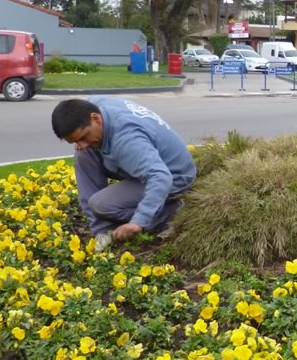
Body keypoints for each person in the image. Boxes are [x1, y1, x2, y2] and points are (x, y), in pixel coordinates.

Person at [51, 97, 196, 249]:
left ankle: (171, 212)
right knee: (84, 154)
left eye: (84, 137)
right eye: (75, 141)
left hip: (174, 178)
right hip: (152, 162)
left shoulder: (127, 140)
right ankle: (102, 229)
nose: (81, 144)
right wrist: (84, 141)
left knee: (101, 205)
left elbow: (161, 177)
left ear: (96, 118)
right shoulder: (96, 106)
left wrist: (138, 221)